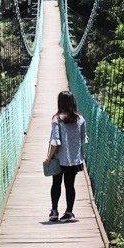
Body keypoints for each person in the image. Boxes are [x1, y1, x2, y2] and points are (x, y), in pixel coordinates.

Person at [43, 90, 88, 222]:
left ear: (59, 103)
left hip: (58, 159)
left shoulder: (56, 119)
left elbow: (55, 141)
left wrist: (48, 158)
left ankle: (54, 211)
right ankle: (69, 213)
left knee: (56, 184)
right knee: (70, 185)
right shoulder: (80, 119)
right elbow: (83, 140)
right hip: (73, 161)